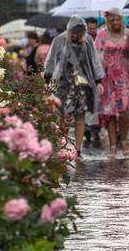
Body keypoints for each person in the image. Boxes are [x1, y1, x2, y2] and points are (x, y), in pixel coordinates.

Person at [44, 16, 104, 159]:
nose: (76, 36)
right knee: (64, 116)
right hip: (64, 84)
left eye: (79, 33)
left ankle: (77, 150)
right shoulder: (59, 40)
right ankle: (63, 148)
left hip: (82, 84)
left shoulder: (88, 40)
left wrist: (98, 81)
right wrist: (47, 79)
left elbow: (94, 60)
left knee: (80, 116)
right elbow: (51, 60)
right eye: (74, 33)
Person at [95, 8, 129, 159]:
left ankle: (124, 140)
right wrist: (96, 79)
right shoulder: (102, 34)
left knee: (123, 111)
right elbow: (96, 57)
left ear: (122, 20)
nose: (115, 23)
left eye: (118, 20)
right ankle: (113, 146)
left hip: (124, 77)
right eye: (112, 20)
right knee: (109, 112)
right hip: (107, 77)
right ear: (108, 21)